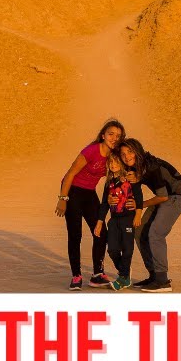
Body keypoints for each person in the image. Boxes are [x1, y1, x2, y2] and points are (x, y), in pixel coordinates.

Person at [55, 119, 125, 290]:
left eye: (118, 136)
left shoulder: (115, 156)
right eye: (111, 134)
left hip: (89, 193)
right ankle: (76, 275)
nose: (114, 138)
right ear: (103, 135)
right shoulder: (91, 151)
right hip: (73, 191)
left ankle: (97, 274)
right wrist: (63, 199)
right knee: (75, 234)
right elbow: (70, 173)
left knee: (101, 232)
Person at [117, 138, 181, 292]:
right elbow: (134, 190)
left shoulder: (151, 166)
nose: (126, 156)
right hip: (163, 197)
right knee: (140, 232)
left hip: (175, 196)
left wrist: (141, 205)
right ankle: (154, 275)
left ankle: (162, 281)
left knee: (155, 233)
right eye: (122, 154)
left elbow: (163, 196)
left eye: (130, 151)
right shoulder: (135, 168)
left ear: (138, 151)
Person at [94, 153, 143, 291]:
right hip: (114, 220)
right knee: (112, 250)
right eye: (110, 162)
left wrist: (138, 215)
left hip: (128, 218)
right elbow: (104, 203)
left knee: (127, 249)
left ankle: (123, 278)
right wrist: (99, 222)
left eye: (116, 161)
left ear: (122, 163)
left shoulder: (130, 177)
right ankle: (124, 272)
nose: (113, 164)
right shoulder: (109, 182)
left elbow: (139, 196)